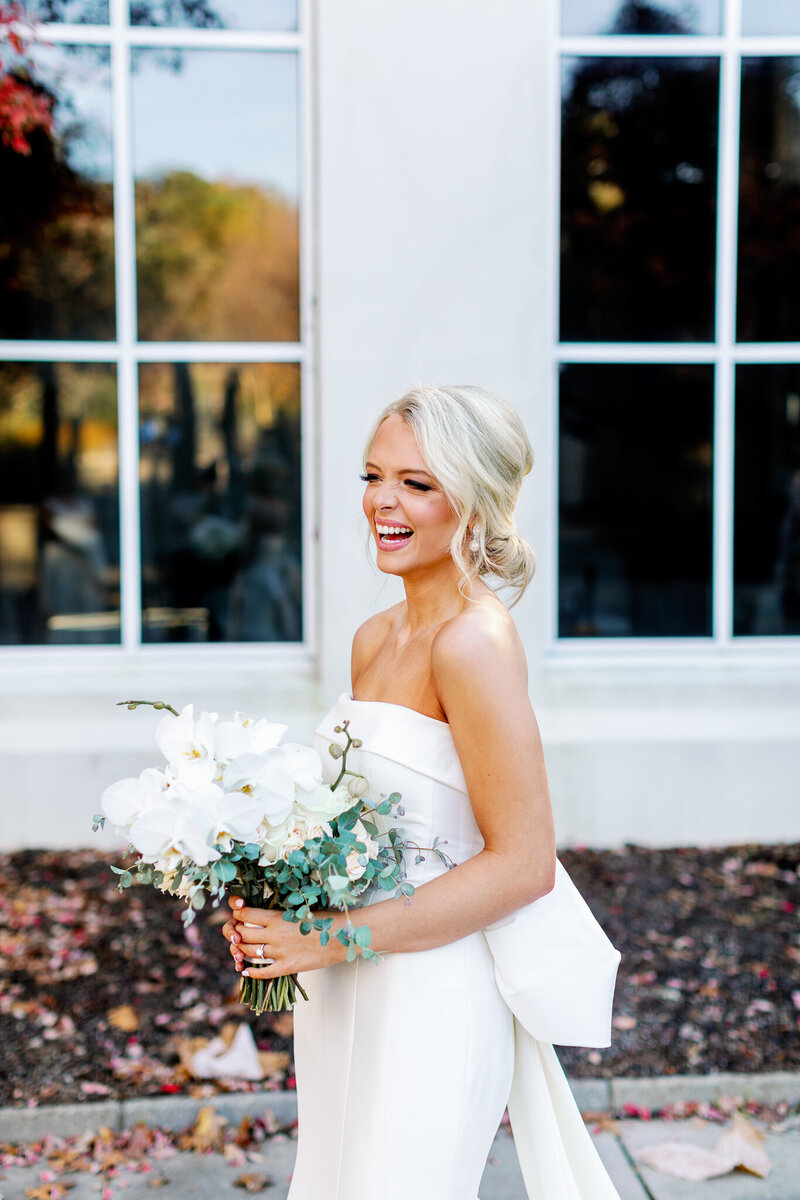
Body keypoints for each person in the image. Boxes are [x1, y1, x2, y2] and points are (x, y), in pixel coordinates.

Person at [222, 385, 622, 1199]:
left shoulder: (472, 644)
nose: (382, 502)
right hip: (342, 988)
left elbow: (522, 865)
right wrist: (275, 897)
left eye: (417, 482)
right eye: (374, 476)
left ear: (472, 501)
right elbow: (360, 816)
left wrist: (326, 940)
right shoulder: (374, 639)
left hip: (434, 995)